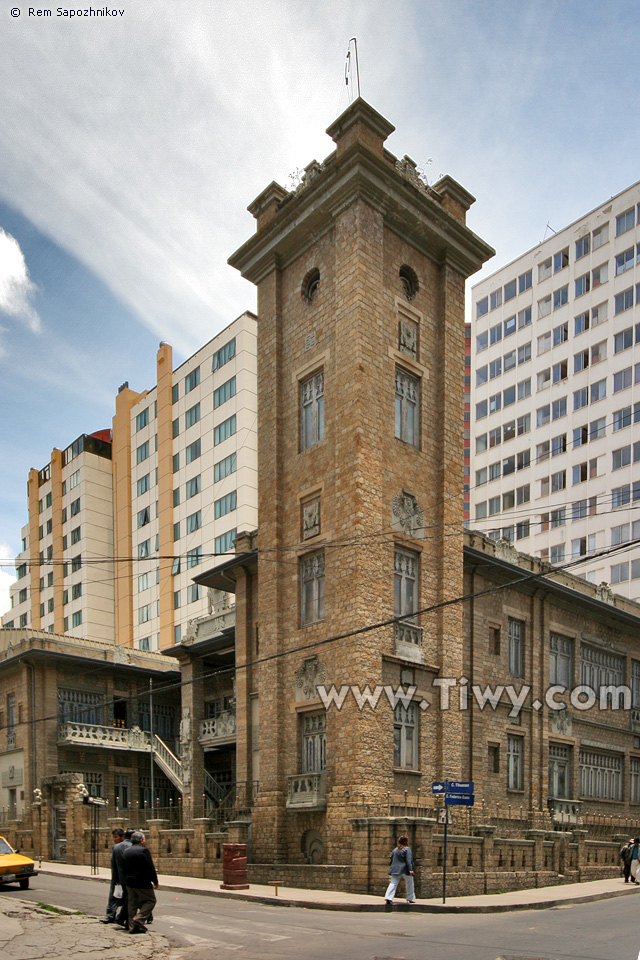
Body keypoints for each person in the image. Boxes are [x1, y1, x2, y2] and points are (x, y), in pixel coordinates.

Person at [121, 830, 159, 933]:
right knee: (150, 900)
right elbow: (150, 867)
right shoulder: (143, 851)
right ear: (141, 841)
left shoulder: (126, 851)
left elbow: (123, 868)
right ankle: (139, 919)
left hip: (129, 882)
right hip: (142, 882)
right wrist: (155, 881)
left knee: (132, 904)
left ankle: (132, 926)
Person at [100, 828, 131, 924]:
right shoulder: (131, 846)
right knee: (127, 898)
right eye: (113, 837)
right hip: (128, 878)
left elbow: (114, 865)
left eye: (116, 837)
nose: (114, 839)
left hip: (118, 878)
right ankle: (121, 917)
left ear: (123, 837)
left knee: (114, 897)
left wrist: (116, 878)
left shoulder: (116, 848)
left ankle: (110, 916)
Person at [384, 834, 415, 904]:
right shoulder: (407, 849)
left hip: (395, 869)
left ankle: (388, 897)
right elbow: (408, 860)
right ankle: (410, 898)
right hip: (404, 869)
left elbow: (391, 859)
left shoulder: (395, 850)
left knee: (393, 883)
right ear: (406, 842)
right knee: (409, 882)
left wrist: (392, 867)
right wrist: (410, 869)